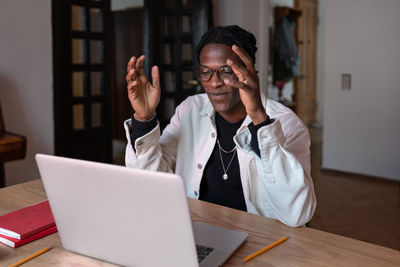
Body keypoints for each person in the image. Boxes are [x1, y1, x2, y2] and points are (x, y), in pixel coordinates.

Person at [124, 25, 316, 227]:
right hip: (195, 230)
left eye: (225, 71)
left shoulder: (288, 124)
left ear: (249, 72)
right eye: (205, 71)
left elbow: (297, 214)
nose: (214, 83)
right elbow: (149, 183)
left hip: (263, 240)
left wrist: (259, 118)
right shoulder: (190, 110)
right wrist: (143, 118)